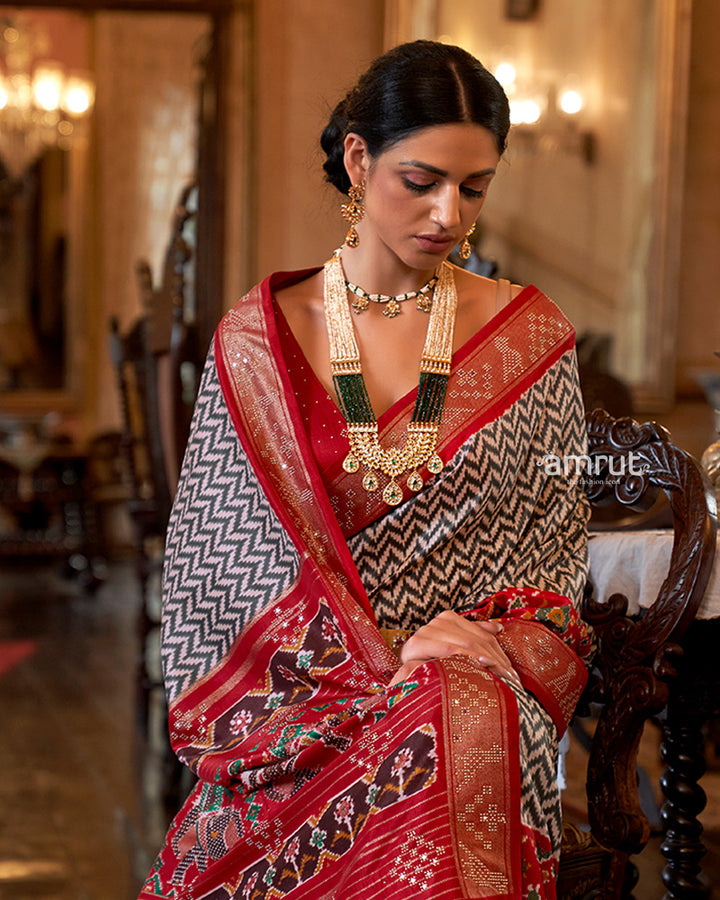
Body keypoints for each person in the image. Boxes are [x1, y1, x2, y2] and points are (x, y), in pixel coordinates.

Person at [140, 39, 592, 900]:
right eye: (420, 181)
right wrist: (387, 655)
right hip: (304, 707)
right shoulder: (258, 341)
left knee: (461, 710)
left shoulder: (533, 338)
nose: (449, 215)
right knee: (437, 712)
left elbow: (556, 556)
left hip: (478, 677)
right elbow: (211, 584)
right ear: (357, 157)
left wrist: (459, 651)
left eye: (476, 187)